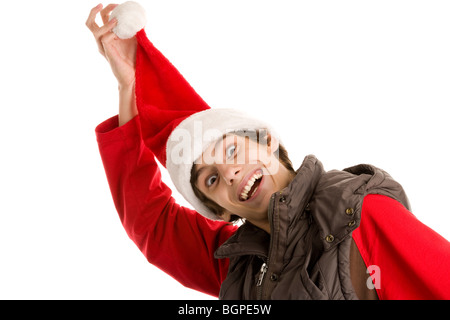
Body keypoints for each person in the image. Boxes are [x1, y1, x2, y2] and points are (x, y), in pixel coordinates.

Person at [87, 3, 450, 299]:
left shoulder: (358, 213)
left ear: (269, 143)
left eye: (231, 151)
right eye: (211, 179)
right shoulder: (236, 268)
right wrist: (129, 87)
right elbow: (152, 222)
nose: (228, 173)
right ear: (219, 209)